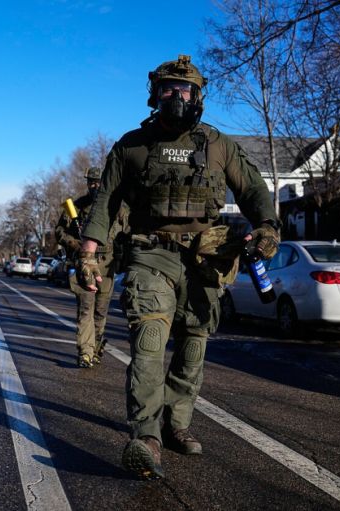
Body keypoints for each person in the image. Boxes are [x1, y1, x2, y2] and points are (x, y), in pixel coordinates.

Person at [78, 55, 280, 479]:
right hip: (150, 254)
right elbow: (106, 201)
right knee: (149, 342)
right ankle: (147, 436)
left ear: (198, 96)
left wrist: (267, 227)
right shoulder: (132, 145)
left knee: (193, 346)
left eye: (185, 90)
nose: (177, 96)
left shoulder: (219, 145)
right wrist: (89, 253)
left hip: (205, 259)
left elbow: (253, 189)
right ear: (154, 94)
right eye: (168, 88)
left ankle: (176, 424)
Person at [55, 166, 128, 368]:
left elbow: (127, 233)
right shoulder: (76, 207)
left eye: (98, 182)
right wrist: (76, 245)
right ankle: (85, 352)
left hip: (108, 264)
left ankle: (95, 348)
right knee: (86, 308)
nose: (95, 186)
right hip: (85, 262)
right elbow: (59, 232)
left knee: (101, 311)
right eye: (91, 182)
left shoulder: (117, 207)